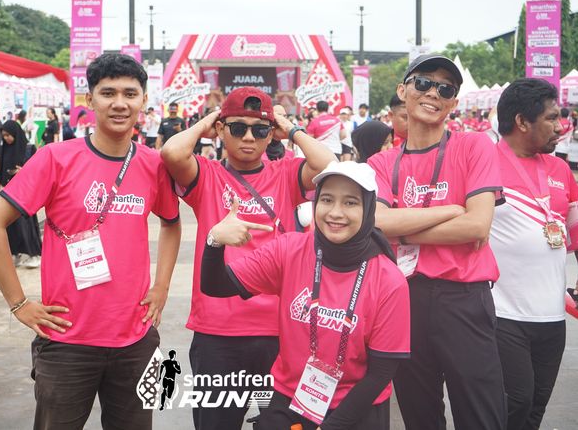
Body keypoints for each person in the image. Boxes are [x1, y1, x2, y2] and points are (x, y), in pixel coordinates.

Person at [0, 53, 181, 430]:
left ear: (143, 101)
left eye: (130, 94)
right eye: (108, 93)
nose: (119, 103)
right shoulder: (55, 158)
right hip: (66, 341)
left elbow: (171, 222)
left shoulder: (153, 164)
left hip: (134, 339)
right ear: (90, 100)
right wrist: (19, 304)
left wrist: (162, 285)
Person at [161, 86, 334, 429]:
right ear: (221, 130)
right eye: (238, 128)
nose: (249, 138)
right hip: (218, 333)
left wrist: (291, 128)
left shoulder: (286, 173)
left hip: (279, 331)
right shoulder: (207, 174)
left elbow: (328, 164)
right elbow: (171, 153)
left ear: (272, 133)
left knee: (279, 424)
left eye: (260, 129)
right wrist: (210, 120)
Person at [201, 161, 410, 429]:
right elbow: (216, 286)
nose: (335, 213)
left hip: (356, 409)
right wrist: (215, 240)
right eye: (327, 199)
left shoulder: (389, 281)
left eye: (350, 202)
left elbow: (381, 372)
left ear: (368, 209)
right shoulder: (290, 250)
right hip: (290, 401)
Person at [367, 54, 507, 429]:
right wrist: (450, 211)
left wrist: (400, 229)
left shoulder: (474, 146)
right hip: (403, 299)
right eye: (424, 83)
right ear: (403, 90)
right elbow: (376, 223)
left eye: (445, 89)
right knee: (420, 416)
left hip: (464, 299)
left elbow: (476, 226)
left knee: (481, 416)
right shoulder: (381, 164)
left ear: (454, 102)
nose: (433, 93)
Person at [489, 79, 578, 430]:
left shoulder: (560, 170)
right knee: (516, 400)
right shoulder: (484, 164)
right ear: (522, 121)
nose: (561, 127)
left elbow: (574, 231)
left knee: (535, 409)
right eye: (552, 118)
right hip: (502, 313)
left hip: (552, 316)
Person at [0, 120, 41, 269]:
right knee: (11, 226)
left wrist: (23, 171)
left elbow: (38, 171)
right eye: (4, 136)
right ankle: (15, 254)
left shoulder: (28, 148)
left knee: (26, 225)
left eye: (8, 135)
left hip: (24, 195)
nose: (6, 138)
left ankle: (34, 255)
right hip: (8, 192)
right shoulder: (4, 149)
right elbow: (0, 170)